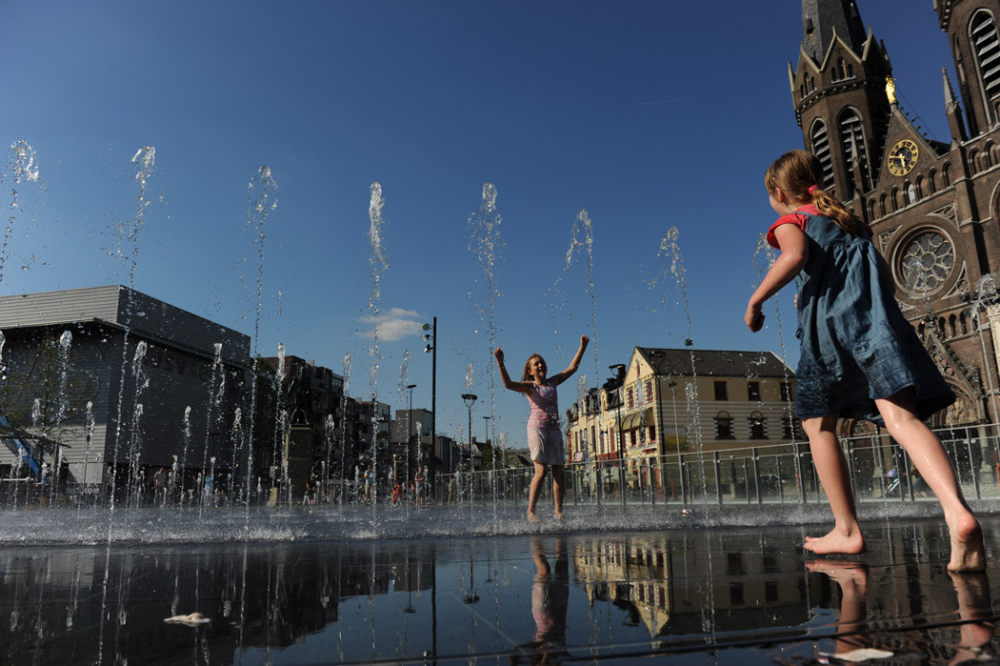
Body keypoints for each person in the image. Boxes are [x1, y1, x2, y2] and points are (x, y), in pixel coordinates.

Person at [745, 149, 985, 572]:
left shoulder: (792, 220)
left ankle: (847, 529)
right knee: (904, 421)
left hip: (831, 332)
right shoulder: (850, 221)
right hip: (876, 323)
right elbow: (872, 275)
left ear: (778, 192)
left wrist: (756, 300)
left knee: (818, 423)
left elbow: (794, 255)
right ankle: (957, 512)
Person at [495, 335, 588, 522]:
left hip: (554, 430)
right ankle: (530, 511)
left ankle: (558, 512)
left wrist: (582, 347)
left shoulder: (553, 382)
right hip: (537, 429)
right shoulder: (531, 387)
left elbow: (572, 368)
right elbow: (508, 384)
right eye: (536, 364)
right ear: (530, 371)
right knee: (541, 471)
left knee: (558, 472)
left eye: (542, 363)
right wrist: (501, 363)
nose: (540, 366)